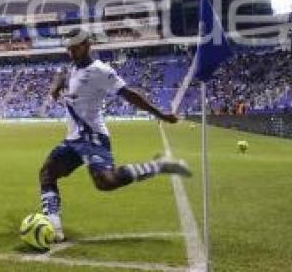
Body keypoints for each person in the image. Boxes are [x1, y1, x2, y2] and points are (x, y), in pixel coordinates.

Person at [38, 28, 191, 242]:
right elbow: (61, 75)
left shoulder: (100, 70)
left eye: (75, 48)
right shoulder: (71, 68)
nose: (71, 52)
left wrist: (160, 114)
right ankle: (53, 228)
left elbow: (129, 94)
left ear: (87, 45)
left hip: (94, 138)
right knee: (46, 173)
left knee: (105, 182)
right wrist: (55, 87)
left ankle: (159, 165)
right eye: (69, 49)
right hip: (73, 140)